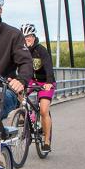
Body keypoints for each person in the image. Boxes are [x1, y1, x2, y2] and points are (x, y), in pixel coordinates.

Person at [21, 23, 55, 152]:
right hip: (30, 80)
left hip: (44, 81)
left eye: (29, 36)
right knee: (18, 92)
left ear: (34, 36)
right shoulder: (21, 51)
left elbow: (48, 66)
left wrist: (49, 81)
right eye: (24, 37)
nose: (26, 39)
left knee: (44, 110)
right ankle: (27, 117)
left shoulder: (41, 50)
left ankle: (46, 141)